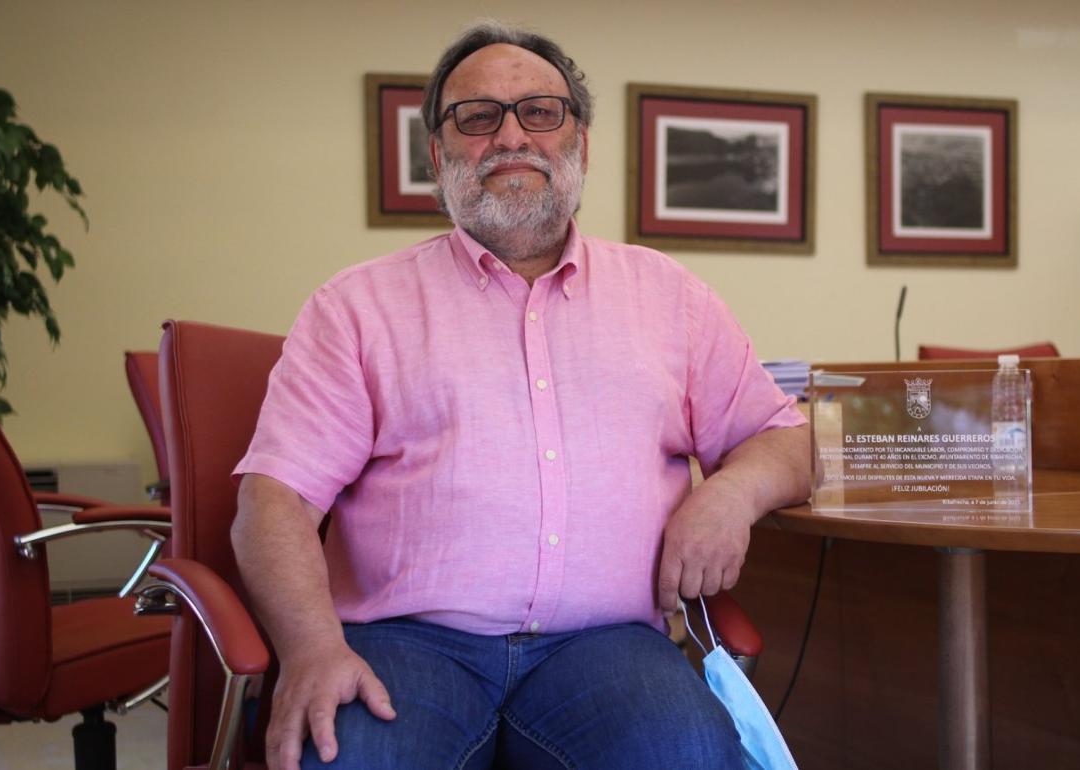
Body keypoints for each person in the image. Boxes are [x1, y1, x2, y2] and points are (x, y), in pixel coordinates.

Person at [231, 20, 810, 770]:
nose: (512, 136)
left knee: (687, 754)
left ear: (580, 144)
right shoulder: (356, 308)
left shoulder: (673, 298)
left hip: (606, 648)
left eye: (540, 111)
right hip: (405, 644)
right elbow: (272, 502)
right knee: (351, 759)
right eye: (478, 117)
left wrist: (731, 496)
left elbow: (789, 438)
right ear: (439, 155)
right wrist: (310, 649)